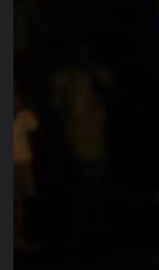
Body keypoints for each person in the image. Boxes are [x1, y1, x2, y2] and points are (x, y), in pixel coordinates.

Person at [49, 53, 112, 241]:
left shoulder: (92, 74)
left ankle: (99, 225)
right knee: (83, 180)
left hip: (94, 132)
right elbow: (57, 106)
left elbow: (108, 81)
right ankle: (82, 227)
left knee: (97, 178)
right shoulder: (63, 77)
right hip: (78, 133)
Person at [14, 90, 39, 251]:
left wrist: (22, 108)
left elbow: (35, 125)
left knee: (19, 201)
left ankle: (18, 238)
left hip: (22, 161)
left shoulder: (23, 116)